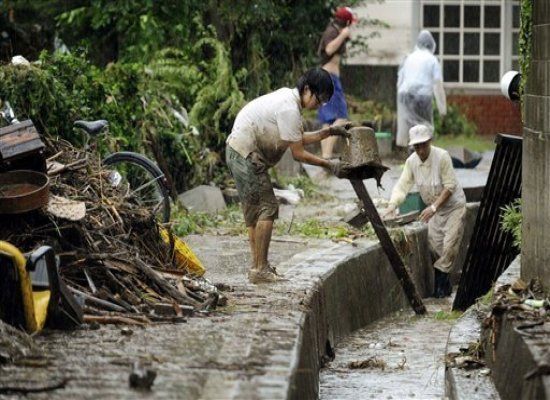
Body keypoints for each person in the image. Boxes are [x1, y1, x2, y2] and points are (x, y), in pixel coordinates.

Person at [226, 67, 351, 284]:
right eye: (319, 99)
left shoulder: (288, 100)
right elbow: (298, 153)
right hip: (246, 153)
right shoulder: (289, 109)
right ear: (307, 89)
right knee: (267, 208)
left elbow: (297, 137)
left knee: (255, 213)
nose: (318, 105)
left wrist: (329, 131)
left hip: (238, 150)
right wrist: (329, 165)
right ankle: (260, 269)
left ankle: (257, 267)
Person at [384, 124, 466, 297]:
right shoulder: (411, 162)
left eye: (423, 145)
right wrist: (392, 205)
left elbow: (450, 186)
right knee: (434, 248)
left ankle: (440, 292)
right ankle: (445, 287)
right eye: (417, 146)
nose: (421, 150)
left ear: (430, 142)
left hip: (453, 208)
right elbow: (402, 186)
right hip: (435, 210)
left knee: (449, 247)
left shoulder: (442, 157)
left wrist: (434, 207)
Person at [317, 6, 357, 160]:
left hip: (327, 77)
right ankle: (326, 156)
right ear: (346, 22)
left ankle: (324, 157)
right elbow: (329, 49)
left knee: (327, 120)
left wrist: (345, 36)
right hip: (330, 78)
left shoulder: (336, 31)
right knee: (341, 117)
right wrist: (343, 35)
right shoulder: (332, 31)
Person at [396, 30, 447, 150]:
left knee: (411, 128)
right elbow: (438, 85)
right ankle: (421, 154)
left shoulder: (409, 58)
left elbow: (400, 81)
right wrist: (442, 109)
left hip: (405, 95)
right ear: (431, 45)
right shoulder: (432, 60)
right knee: (424, 128)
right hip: (422, 96)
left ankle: (412, 153)